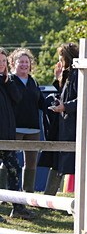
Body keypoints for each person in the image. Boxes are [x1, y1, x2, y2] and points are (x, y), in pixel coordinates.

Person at [5, 48, 44, 198]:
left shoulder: (33, 81)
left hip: (33, 128)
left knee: (31, 163)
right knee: (8, 161)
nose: (24, 65)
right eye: (20, 61)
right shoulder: (9, 80)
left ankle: (28, 194)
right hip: (14, 128)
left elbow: (41, 103)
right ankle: (4, 194)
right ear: (13, 63)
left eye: (26, 62)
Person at [44, 43, 80, 196]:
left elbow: (84, 99)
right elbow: (63, 95)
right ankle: (48, 196)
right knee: (57, 161)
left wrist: (65, 107)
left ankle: (79, 198)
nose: (59, 60)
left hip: (75, 125)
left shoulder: (78, 74)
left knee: (70, 163)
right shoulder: (70, 74)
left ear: (67, 58)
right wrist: (58, 79)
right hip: (65, 124)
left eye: (61, 57)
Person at [0, 49, 21, 217]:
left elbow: (18, 98)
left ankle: (18, 207)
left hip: (7, 136)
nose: (1, 64)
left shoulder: (7, 80)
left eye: (4, 61)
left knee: (15, 169)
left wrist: (8, 82)